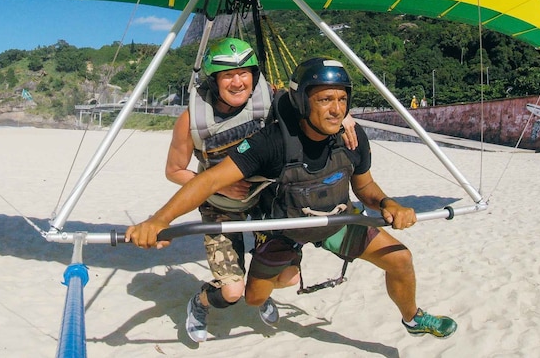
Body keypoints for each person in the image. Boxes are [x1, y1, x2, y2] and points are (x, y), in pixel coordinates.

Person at [128, 57, 457, 339]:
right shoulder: (270, 143)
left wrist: (388, 204)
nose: (336, 110)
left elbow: (366, 187)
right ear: (302, 102)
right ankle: (240, 291)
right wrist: (160, 220)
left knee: (400, 259)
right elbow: (209, 180)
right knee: (253, 297)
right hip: (284, 229)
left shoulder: (352, 138)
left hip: (336, 219)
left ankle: (413, 318)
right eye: (325, 100)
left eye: (342, 100)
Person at [165, 38, 359, 342]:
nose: (238, 82)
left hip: (264, 201)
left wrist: (344, 116)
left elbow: (313, 103)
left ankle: (261, 288)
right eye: (228, 75)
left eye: (245, 73)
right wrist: (222, 186)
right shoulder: (192, 118)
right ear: (214, 81)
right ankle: (201, 302)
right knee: (231, 292)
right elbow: (174, 170)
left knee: (289, 276)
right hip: (220, 204)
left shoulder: (270, 101)